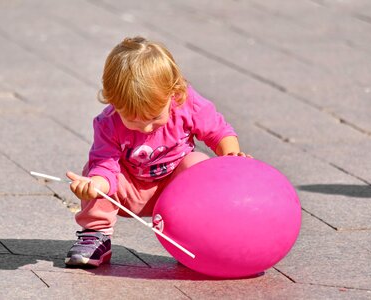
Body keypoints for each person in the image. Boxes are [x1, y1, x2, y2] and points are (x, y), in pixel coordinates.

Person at [65, 36, 252, 267]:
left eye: (154, 118)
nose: (144, 127)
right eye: (132, 120)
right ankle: (96, 234)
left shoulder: (187, 104)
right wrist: (95, 186)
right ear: (113, 101)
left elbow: (219, 132)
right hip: (130, 190)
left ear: (174, 93)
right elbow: (106, 165)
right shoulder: (108, 123)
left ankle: (192, 237)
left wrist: (232, 159)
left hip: (176, 190)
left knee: (197, 162)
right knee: (94, 171)